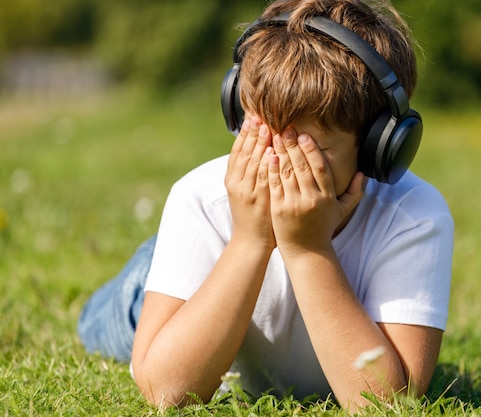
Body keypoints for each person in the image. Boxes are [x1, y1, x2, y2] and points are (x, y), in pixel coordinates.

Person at [77, 0, 454, 411]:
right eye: (261, 134)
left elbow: (387, 404)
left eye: (306, 147)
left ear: (377, 148)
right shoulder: (202, 199)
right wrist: (249, 240)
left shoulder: (413, 217)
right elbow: (167, 393)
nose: (275, 163)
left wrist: (309, 249)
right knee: (104, 323)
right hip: (188, 279)